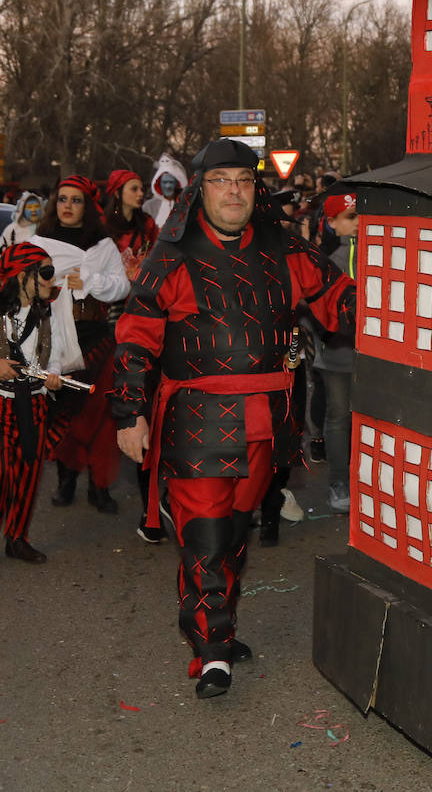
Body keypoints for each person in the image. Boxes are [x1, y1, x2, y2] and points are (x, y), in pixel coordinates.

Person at [112, 138, 354, 699]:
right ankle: (213, 648)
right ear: (200, 190)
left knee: (235, 532)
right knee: (206, 533)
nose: (234, 192)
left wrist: (409, 289)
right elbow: (135, 336)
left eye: (244, 182)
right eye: (221, 181)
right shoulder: (171, 255)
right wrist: (128, 413)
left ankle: (207, 622)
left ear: (256, 190)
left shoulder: (286, 250)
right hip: (197, 417)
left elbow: (341, 301)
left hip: (268, 418)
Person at [0, 241, 81, 566]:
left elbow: (57, 355)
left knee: (28, 474)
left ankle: (17, 538)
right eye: (46, 272)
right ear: (24, 276)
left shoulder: (48, 312)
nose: (52, 279)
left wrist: (53, 373)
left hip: (35, 404)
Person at [35, 175, 130, 512]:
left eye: (76, 200)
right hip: (54, 336)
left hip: (95, 336)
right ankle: (66, 478)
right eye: (63, 199)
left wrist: (91, 279)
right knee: (65, 413)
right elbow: (15, 283)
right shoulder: (38, 242)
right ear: (54, 203)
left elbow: (122, 287)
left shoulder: (102, 245)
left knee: (102, 415)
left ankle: (99, 485)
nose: (68, 207)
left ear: (87, 206)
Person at [103, 168, 165, 543]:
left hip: (152, 313)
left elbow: (159, 262)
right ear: (117, 192)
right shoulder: (104, 230)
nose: (141, 193)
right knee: (126, 397)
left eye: (142, 187)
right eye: (134, 188)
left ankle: (154, 506)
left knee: (150, 404)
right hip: (116, 314)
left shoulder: (150, 226)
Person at [314, 190, 358, 513]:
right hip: (337, 354)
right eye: (350, 217)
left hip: (371, 354)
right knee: (339, 418)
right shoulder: (326, 260)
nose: (358, 224)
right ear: (331, 222)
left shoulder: (378, 252)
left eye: (360, 216)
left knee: (366, 418)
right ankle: (338, 483)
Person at [142, 153, 187, 230]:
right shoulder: (149, 207)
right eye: (165, 182)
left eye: (171, 182)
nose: (168, 186)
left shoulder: (186, 206)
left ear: (177, 184)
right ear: (158, 184)